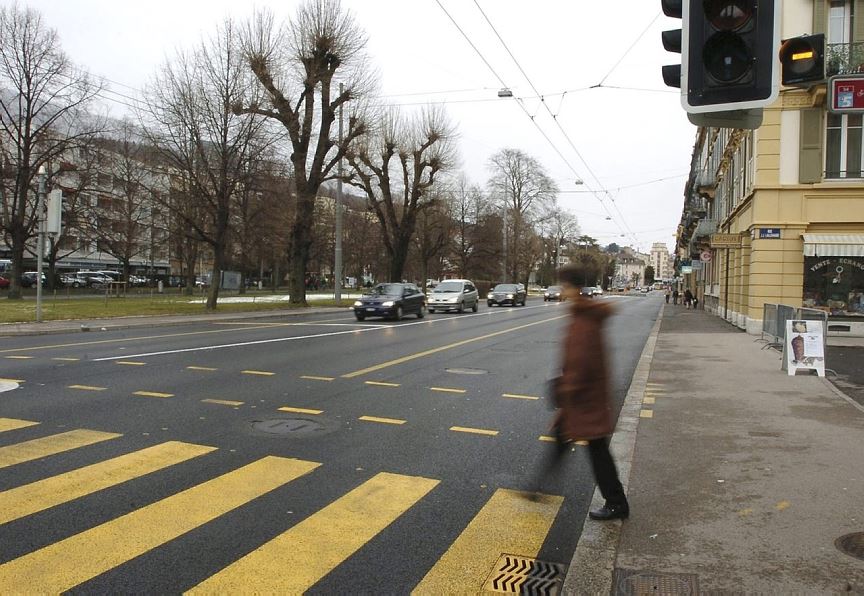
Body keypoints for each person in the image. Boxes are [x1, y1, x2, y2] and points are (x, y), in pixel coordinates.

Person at [551, 263, 629, 521]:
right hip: (588, 395)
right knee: (577, 444)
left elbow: (580, 362)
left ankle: (617, 503)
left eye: (564, 287)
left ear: (573, 288)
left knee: (596, 451)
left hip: (585, 397)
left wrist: (565, 389)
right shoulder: (583, 314)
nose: (561, 292)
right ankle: (537, 487)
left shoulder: (583, 318)